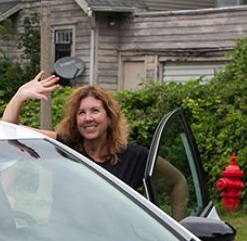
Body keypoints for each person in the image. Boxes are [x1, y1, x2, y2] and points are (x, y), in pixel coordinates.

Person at [53, 85, 189, 218]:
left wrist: (180, 227)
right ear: (75, 121)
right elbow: (31, 133)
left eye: (95, 110)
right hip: (68, 237)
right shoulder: (66, 149)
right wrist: (30, 93)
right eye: (81, 112)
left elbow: (178, 182)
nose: (88, 118)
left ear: (109, 118)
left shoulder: (133, 156)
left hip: (115, 239)